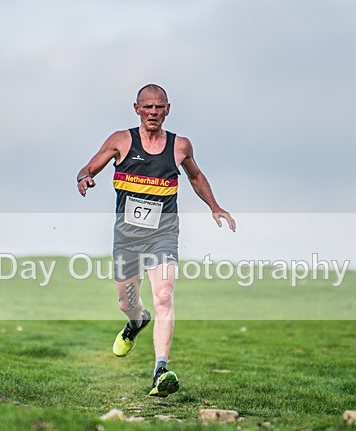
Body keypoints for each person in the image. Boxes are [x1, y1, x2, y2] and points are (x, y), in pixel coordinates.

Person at [76, 84, 236, 397]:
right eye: (147, 107)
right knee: (127, 302)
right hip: (127, 238)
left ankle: (160, 371)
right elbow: (88, 166)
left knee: (164, 295)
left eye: (159, 107)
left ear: (168, 110)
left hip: (163, 234)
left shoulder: (180, 146)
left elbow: (195, 177)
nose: (153, 112)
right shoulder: (121, 141)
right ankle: (135, 323)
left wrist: (214, 206)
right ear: (136, 108)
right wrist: (84, 178)